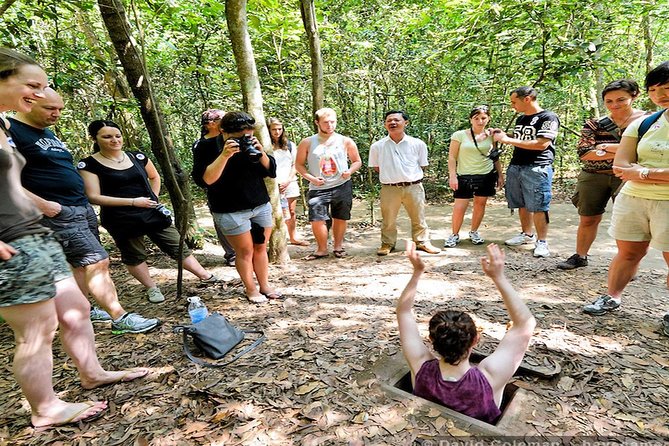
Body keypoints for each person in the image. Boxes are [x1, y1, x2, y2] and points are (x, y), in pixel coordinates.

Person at [0, 48, 147, 429]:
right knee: (36, 330)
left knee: (76, 311)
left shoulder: (1, 126)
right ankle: (45, 408)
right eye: (31, 85)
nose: (38, 93)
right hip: (10, 241)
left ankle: (91, 372)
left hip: (34, 233)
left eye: (43, 86)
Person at [9, 88, 159, 334]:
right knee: (97, 260)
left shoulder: (46, 133)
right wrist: (44, 205)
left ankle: (84, 309)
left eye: (59, 109)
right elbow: (5, 179)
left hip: (79, 207)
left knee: (79, 264)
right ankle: (119, 317)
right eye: (49, 109)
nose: (56, 114)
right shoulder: (11, 131)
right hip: (56, 211)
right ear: (27, 103)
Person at [78, 120, 218, 304]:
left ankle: (204, 275)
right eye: (107, 137)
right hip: (120, 217)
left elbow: (154, 177)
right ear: (95, 138)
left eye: (117, 136)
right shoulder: (88, 165)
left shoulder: (137, 156)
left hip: (150, 211)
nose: (114, 140)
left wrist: (154, 197)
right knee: (134, 254)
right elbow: (93, 196)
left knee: (176, 244)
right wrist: (134, 202)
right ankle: (151, 287)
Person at [396, 241, 535, 424]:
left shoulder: (420, 366)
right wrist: (498, 277)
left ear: (431, 340)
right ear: (475, 340)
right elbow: (525, 323)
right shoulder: (490, 376)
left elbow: (403, 312)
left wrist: (417, 272)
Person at [582, 62, 669, 337]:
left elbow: (632, 168)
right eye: (653, 90)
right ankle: (611, 296)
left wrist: (642, 171)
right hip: (633, 198)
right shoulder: (645, 123)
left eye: (665, 88)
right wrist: (650, 174)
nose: (660, 95)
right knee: (629, 252)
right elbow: (621, 166)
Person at [192, 111, 281, 304]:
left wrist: (261, 152)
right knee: (245, 251)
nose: (243, 140)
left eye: (247, 135)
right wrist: (224, 155)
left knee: (260, 247)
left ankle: (265, 285)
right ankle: (251, 289)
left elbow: (271, 171)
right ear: (223, 131)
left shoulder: (252, 142)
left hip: (259, 203)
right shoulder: (206, 147)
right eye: (238, 137)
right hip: (229, 209)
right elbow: (206, 180)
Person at [557, 81, 646, 270]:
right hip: (593, 175)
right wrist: (625, 150)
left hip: (628, 177)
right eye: (609, 101)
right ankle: (580, 256)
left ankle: (629, 265)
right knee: (588, 217)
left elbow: (644, 151)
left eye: (621, 99)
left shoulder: (648, 122)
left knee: (628, 221)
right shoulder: (595, 123)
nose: (615, 105)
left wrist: (604, 147)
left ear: (634, 96)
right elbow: (584, 152)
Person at [494, 86, 560, 258]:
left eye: (514, 102)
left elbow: (541, 144)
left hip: (537, 166)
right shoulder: (521, 119)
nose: (512, 106)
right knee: (521, 203)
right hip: (517, 165)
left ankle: (542, 242)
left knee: (538, 205)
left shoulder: (548, 117)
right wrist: (503, 134)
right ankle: (527, 234)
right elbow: (522, 139)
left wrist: (507, 140)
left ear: (527, 99)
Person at [369, 110, 440, 256]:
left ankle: (422, 242)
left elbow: (422, 164)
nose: (393, 123)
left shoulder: (417, 144)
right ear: (385, 124)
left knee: (418, 217)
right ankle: (387, 243)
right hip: (389, 188)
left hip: (413, 186)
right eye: (389, 121)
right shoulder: (377, 146)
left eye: (396, 120)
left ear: (405, 123)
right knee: (388, 219)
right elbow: (377, 168)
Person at [295, 108, 362, 259]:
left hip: (342, 185)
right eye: (326, 122)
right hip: (318, 187)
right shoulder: (307, 142)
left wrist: (349, 171)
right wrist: (311, 178)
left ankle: (338, 247)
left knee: (340, 217)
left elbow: (357, 161)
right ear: (317, 122)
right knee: (317, 219)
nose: (330, 125)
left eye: (333, 122)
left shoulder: (345, 141)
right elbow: (299, 165)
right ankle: (322, 248)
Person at [445, 106, 504, 248]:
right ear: (470, 119)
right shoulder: (459, 135)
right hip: (464, 176)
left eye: (483, 118)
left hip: (486, 175)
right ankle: (454, 234)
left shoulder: (492, 135)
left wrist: (500, 175)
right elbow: (452, 157)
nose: (480, 121)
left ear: (488, 119)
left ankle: (474, 231)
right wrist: (452, 176)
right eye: (476, 118)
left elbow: (495, 157)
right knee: (460, 206)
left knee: (480, 204)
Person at [193, 109, 236, 266]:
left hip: (238, 187)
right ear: (210, 124)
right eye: (221, 119)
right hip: (217, 190)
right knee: (222, 222)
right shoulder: (200, 145)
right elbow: (201, 173)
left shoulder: (230, 138)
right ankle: (231, 254)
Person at [268, 116, 309, 246]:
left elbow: (296, 164)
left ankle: (293, 237)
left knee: (291, 212)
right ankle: (273, 240)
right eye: (274, 129)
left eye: (280, 129)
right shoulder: (264, 145)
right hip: (271, 184)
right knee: (271, 213)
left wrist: (288, 180)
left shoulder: (290, 145)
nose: (277, 132)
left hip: (289, 182)